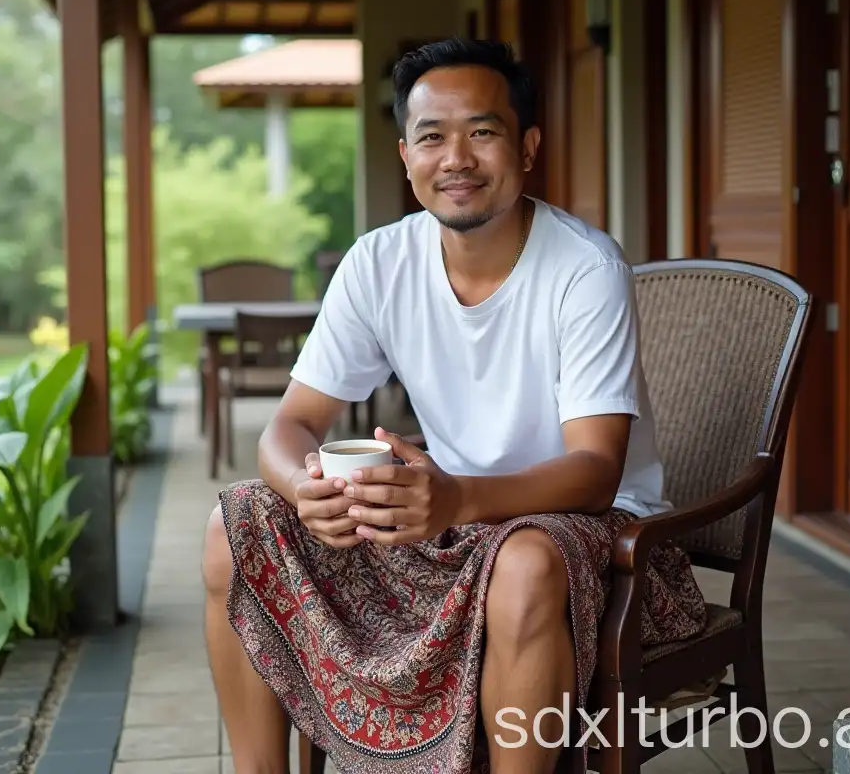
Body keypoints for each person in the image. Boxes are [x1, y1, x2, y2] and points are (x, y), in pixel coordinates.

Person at [202, 38, 707, 774]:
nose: (457, 159)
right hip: (450, 527)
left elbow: (597, 472)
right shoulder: (377, 263)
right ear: (406, 156)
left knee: (525, 563)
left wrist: (455, 497)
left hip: (595, 536)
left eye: (483, 132)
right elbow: (292, 424)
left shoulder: (585, 269)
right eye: (433, 137)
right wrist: (304, 491)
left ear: (527, 147)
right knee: (236, 522)